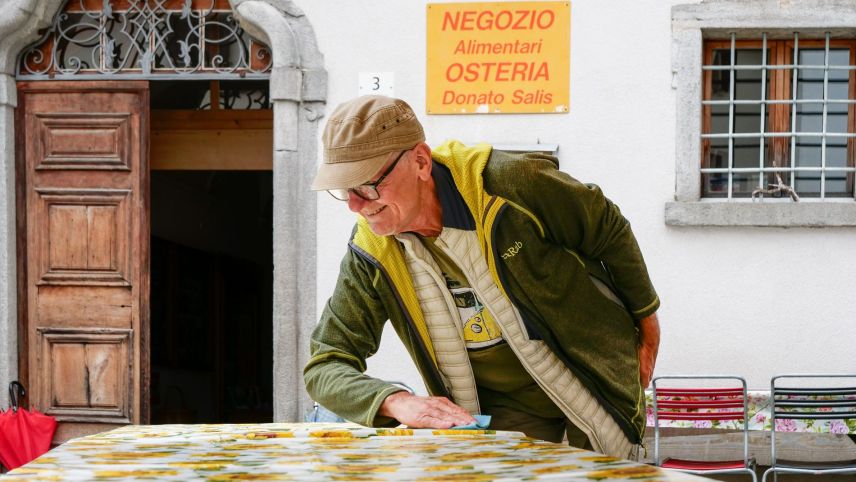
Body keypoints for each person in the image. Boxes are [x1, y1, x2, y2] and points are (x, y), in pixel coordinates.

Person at [304, 95, 660, 459]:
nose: (355, 205)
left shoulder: (511, 183)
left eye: (366, 184)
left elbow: (607, 227)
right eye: (344, 191)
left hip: (592, 384)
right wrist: (395, 402)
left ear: (421, 162)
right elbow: (325, 364)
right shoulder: (370, 251)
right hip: (505, 413)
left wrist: (648, 324)